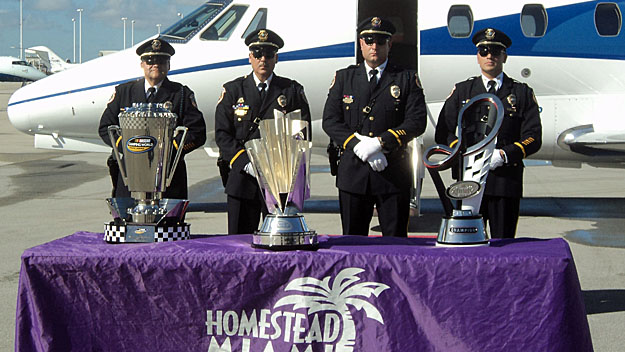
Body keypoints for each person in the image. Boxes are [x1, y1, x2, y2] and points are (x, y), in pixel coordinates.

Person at [322, 17, 427, 237]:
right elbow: (330, 120)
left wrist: (380, 143)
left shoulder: (406, 78)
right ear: (361, 43)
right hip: (354, 173)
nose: (374, 46)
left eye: (380, 41)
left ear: (390, 44)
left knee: (395, 245)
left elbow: (416, 122)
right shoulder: (344, 78)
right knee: (352, 242)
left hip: (392, 173)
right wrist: (359, 145)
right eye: (369, 40)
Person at [435, 28, 542, 238]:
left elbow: (533, 137)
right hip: (467, 182)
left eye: (495, 51)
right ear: (477, 57)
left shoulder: (520, 93)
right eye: (484, 51)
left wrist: (504, 155)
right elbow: (443, 131)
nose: (489, 56)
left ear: (504, 56)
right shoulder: (463, 91)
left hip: (504, 181)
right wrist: (463, 151)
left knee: (503, 245)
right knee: (466, 243)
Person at [215, 29, 311, 235]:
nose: (263, 59)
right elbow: (223, 134)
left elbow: (302, 133)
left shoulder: (291, 90)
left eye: (268, 55)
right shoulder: (233, 90)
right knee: (239, 244)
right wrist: (245, 163)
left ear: (276, 58)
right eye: (258, 54)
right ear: (250, 57)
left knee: (279, 240)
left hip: (279, 182)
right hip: (243, 178)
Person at [98, 38, 206, 199]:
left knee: (168, 223)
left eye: (162, 61)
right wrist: (128, 148)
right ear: (142, 64)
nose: (156, 65)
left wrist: (171, 150)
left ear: (168, 65)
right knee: (128, 221)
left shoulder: (181, 94)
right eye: (150, 60)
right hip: (131, 173)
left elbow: (197, 133)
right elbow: (106, 127)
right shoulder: (124, 92)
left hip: (168, 176)